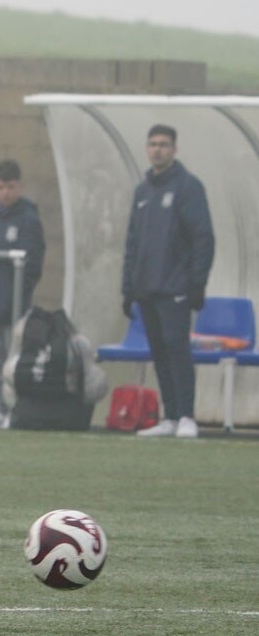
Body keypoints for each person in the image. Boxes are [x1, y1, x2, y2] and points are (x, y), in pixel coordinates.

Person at [122, 124, 214, 439]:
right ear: (147, 149)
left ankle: (188, 415)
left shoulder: (188, 187)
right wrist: (127, 287)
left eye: (163, 144)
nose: (157, 150)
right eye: (152, 144)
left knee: (177, 351)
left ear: (174, 149)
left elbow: (203, 238)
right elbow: (132, 242)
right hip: (147, 288)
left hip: (175, 287)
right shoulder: (142, 191)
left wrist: (197, 284)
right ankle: (170, 416)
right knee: (159, 352)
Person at [0, 159, 45, 430]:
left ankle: (17, 410)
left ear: (20, 187)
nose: (5, 193)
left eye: (10, 187)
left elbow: (33, 264)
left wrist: (19, 296)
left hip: (15, 305)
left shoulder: (28, 220)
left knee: (15, 363)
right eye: (0, 187)